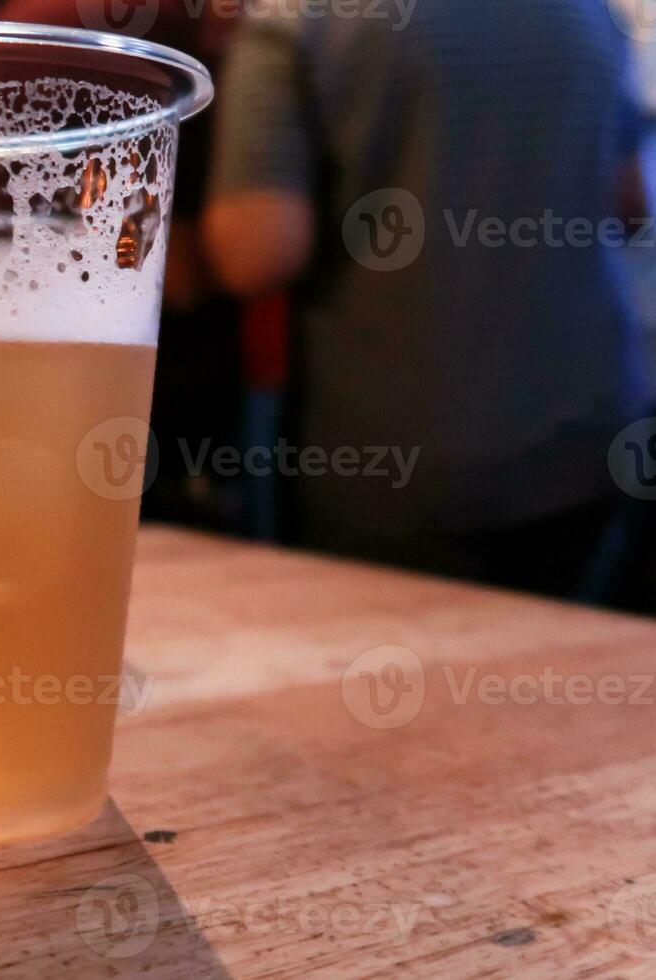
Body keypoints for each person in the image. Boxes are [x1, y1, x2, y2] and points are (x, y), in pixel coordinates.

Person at [202, 0, 652, 597]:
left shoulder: (298, 20)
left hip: (401, 456)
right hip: (589, 432)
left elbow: (256, 254)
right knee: (554, 671)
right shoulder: (592, 15)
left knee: (401, 669)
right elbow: (630, 202)